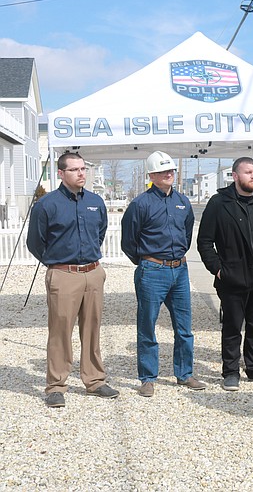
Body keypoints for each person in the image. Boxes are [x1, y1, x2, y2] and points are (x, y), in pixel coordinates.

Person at [26, 152, 120, 408]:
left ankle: (95, 380)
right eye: (75, 170)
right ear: (61, 173)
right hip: (63, 275)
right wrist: (55, 264)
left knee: (92, 328)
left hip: (93, 273)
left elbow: (99, 233)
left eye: (83, 169)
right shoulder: (47, 205)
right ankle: (56, 386)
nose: (81, 174)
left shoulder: (95, 202)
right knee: (60, 331)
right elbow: (35, 242)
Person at [121, 151, 206, 397]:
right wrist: (146, 261)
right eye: (162, 171)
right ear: (152, 175)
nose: (168, 174)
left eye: (171, 170)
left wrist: (176, 258)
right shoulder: (140, 204)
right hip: (152, 271)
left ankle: (185, 373)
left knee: (184, 327)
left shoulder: (183, 201)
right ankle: (147, 377)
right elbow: (129, 241)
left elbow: (187, 233)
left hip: (179, 270)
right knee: (147, 325)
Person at [197, 157, 253, 391]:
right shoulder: (219, 203)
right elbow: (205, 242)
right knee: (233, 327)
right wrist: (218, 269)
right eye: (248, 172)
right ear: (235, 176)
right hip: (232, 279)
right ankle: (231, 372)